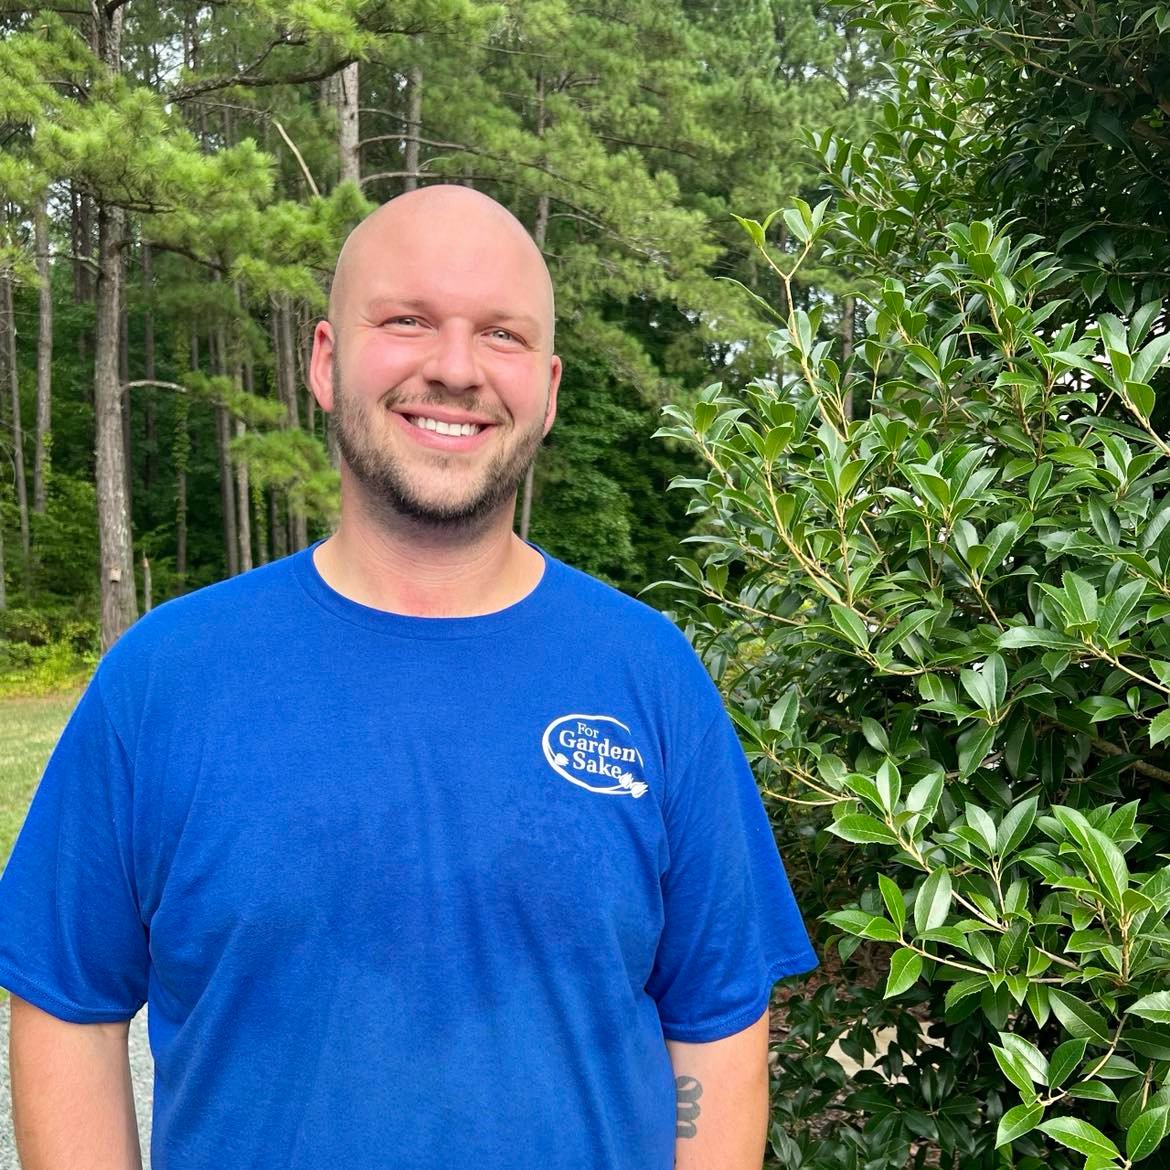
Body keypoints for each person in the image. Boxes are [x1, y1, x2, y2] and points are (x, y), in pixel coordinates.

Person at [0, 186, 816, 1170]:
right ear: (326, 360)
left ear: (550, 389)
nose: (456, 368)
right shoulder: (165, 680)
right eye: (408, 321)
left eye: (502, 336)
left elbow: (719, 1021)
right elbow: (65, 1005)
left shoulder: (650, 677)